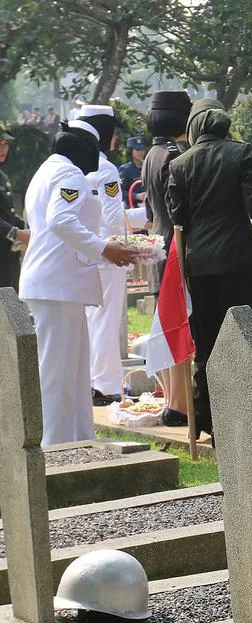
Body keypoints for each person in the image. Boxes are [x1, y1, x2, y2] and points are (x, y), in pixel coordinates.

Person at [168, 99, 252, 437]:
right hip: (238, 262)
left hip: (200, 267)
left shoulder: (180, 164)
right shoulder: (241, 153)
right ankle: (244, 418)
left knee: (207, 342)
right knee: (244, 339)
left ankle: (207, 418)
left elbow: (177, 218)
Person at [19, 120, 140, 445]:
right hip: (57, 283)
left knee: (74, 371)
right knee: (59, 372)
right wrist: (104, 248)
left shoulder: (47, 169)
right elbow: (60, 220)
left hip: (58, 283)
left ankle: (79, 439)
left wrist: (102, 251)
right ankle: (56, 446)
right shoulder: (68, 174)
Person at [79, 104, 145, 407]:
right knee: (105, 320)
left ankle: (94, 381)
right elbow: (114, 218)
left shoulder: (77, 165)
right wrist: (147, 216)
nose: (116, 140)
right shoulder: (103, 168)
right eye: (112, 133)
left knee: (93, 321)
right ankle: (105, 386)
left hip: (86, 252)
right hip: (109, 253)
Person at [142, 89, 193, 426]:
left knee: (171, 322)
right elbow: (182, 208)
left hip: (159, 244)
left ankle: (176, 402)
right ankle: (181, 404)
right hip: (177, 246)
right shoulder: (175, 154)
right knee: (182, 324)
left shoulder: (151, 154)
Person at [0, 130, 29, 290]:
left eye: (5, 144)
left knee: (11, 304)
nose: (3, 149)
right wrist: (16, 233)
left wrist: (28, 229)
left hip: (8, 255)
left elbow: (8, 213)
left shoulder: (3, 176)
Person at [118, 135, 147, 207]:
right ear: (131, 151)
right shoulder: (125, 169)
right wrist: (136, 196)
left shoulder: (147, 166)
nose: (141, 152)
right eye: (137, 150)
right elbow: (120, 192)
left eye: (142, 149)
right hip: (132, 208)